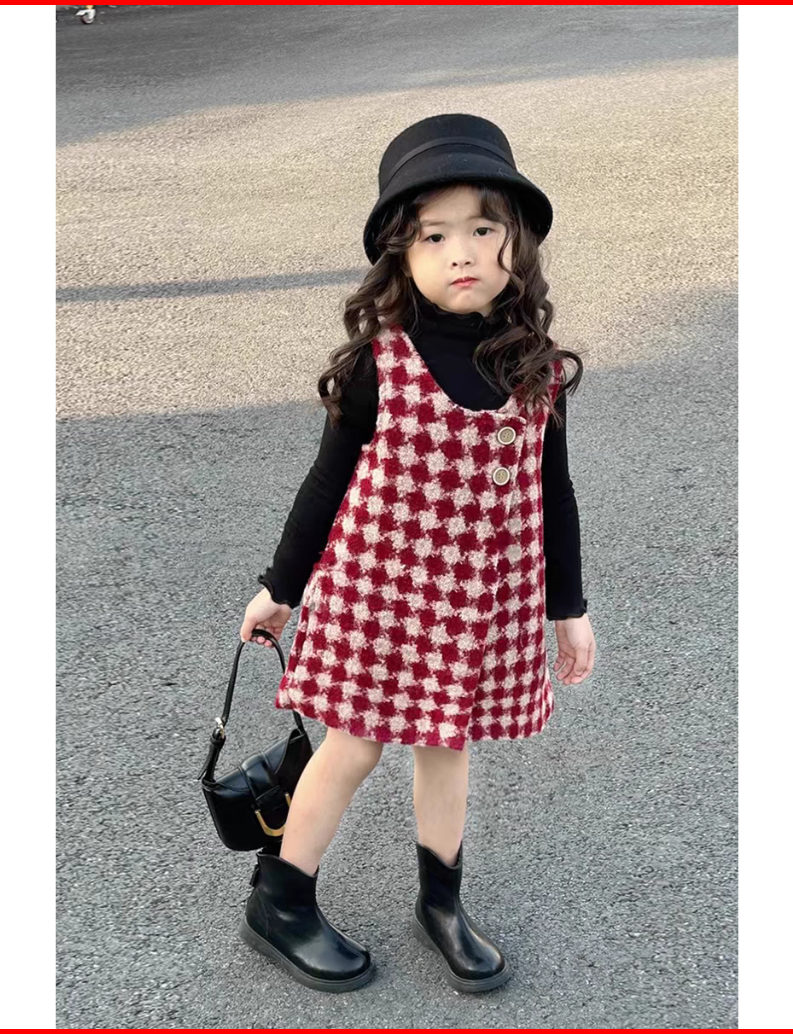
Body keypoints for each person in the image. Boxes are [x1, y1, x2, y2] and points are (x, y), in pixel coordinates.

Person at [236, 113, 596, 994]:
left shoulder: (534, 368)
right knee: (353, 744)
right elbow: (326, 483)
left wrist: (570, 609)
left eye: (483, 228)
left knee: (448, 745)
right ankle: (280, 898)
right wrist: (280, 587)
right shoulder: (382, 364)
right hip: (377, 593)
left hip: (480, 602)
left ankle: (442, 902)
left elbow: (553, 494)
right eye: (435, 235)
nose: (461, 252)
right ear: (401, 254)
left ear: (517, 243)